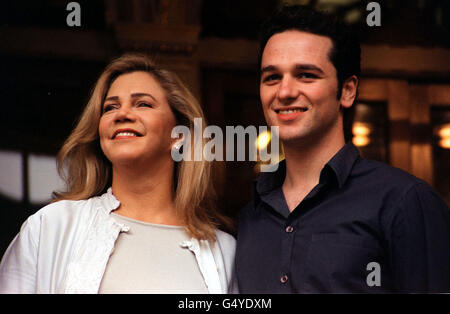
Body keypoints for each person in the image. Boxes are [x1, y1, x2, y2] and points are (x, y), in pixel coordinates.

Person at [235, 5, 450, 293]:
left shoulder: (404, 201)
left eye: (306, 75)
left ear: (347, 90)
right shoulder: (250, 217)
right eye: (272, 77)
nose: (284, 92)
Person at [0, 53, 237, 294]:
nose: (122, 114)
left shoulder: (223, 251)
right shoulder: (51, 226)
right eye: (110, 107)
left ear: (178, 135)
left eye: (143, 103)